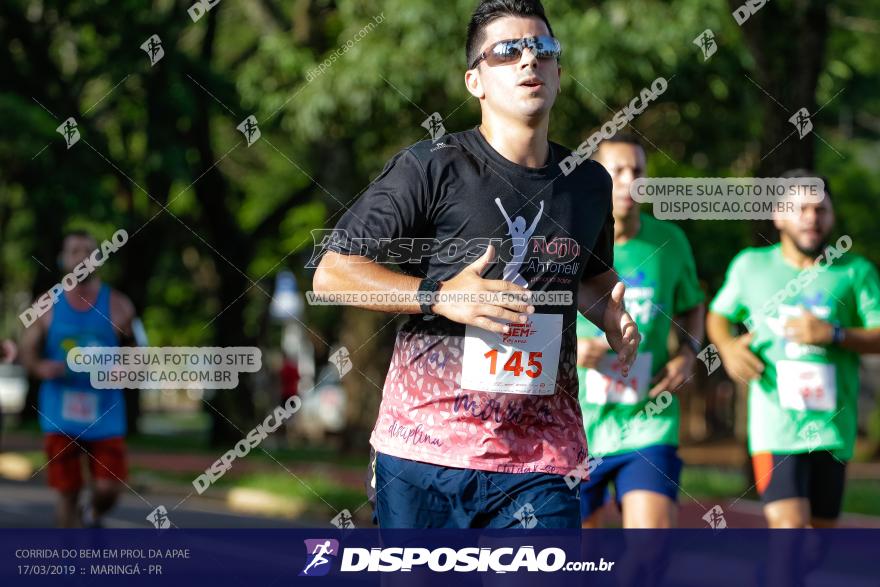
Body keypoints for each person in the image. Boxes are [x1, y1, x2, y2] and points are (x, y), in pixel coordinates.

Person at [313, 0, 640, 528]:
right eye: (508, 52)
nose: (528, 62)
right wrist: (441, 296)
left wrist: (611, 314)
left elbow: (590, 277)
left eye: (543, 50)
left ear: (558, 70)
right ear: (475, 80)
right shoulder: (430, 166)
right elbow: (332, 273)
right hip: (425, 454)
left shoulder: (588, 183)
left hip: (542, 458)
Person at [707, 172, 880, 528]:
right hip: (776, 428)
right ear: (778, 215)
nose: (812, 218)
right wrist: (726, 347)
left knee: (816, 543)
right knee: (790, 534)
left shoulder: (854, 271)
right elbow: (718, 316)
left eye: (820, 210)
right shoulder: (750, 266)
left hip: (832, 429)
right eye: (800, 209)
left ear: (831, 215)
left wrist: (832, 334)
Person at [576, 136, 705, 528]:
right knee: (579, 560)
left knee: (649, 552)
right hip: (576, 426)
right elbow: (530, 313)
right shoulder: (569, 238)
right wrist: (572, 347)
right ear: (597, 178)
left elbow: (694, 303)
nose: (630, 180)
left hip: (649, 419)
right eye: (618, 171)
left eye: (638, 171)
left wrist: (688, 353)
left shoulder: (669, 241)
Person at [20, 230, 136, 528]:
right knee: (67, 493)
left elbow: (138, 353)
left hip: (106, 412)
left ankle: (94, 512)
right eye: (74, 251)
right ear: (63, 259)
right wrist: (39, 366)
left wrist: (127, 368)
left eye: (88, 250)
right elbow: (27, 349)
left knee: (109, 489)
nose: (82, 256)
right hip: (60, 412)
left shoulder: (119, 305)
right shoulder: (46, 305)